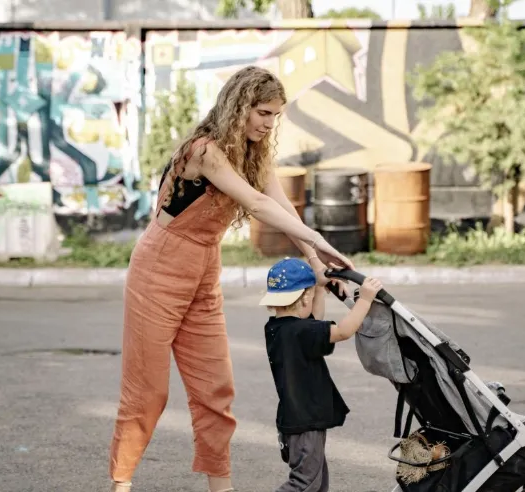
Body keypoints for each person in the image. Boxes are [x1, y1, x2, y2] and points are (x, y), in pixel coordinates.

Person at [107, 65, 355, 492]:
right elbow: (257, 205)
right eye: (262, 111)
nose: (268, 122)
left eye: (275, 115)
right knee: (148, 392)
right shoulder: (204, 151)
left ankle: (222, 489)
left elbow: (280, 204)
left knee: (215, 390)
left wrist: (316, 259)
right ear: (239, 104)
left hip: (204, 271)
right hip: (159, 268)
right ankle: (120, 483)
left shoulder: (255, 155)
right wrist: (316, 240)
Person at [260, 257, 383, 492]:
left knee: (316, 484)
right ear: (304, 297)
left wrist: (317, 288)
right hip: (304, 422)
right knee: (304, 484)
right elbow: (345, 331)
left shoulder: (277, 329)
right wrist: (365, 299)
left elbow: (313, 321)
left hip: (295, 420)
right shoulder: (303, 332)